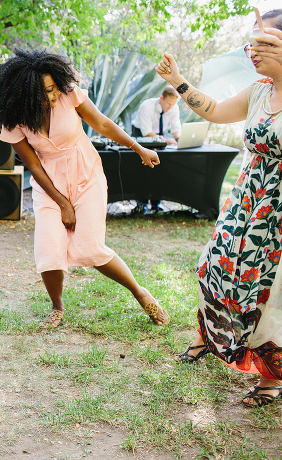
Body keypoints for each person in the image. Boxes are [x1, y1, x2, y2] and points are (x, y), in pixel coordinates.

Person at [0, 49, 169, 329]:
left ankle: (140, 292)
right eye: (45, 91)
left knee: (90, 246)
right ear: (24, 94)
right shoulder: (14, 119)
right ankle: (57, 308)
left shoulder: (68, 94)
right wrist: (61, 202)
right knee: (48, 248)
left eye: (53, 87)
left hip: (86, 175)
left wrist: (138, 147)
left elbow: (102, 124)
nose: (52, 95)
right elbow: (34, 167)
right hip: (49, 184)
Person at [158, 9, 282, 407]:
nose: (253, 51)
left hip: (277, 211)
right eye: (251, 43)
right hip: (247, 199)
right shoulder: (260, 90)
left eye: (264, 43)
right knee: (214, 265)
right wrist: (178, 81)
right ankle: (207, 339)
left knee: (266, 288)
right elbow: (212, 109)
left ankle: (272, 377)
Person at [131, 85, 182, 213]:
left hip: (160, 137)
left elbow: (176, 131)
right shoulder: (146, 106)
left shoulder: (174, 108)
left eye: (173, 104)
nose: (170, 107)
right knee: (142, 169)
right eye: (168, 103)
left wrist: (180, 140)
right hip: (141, 136)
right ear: (161, 98)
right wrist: (165, 140)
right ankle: (141, 203)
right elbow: (146, 132)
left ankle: (156, 203)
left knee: (159, 169)